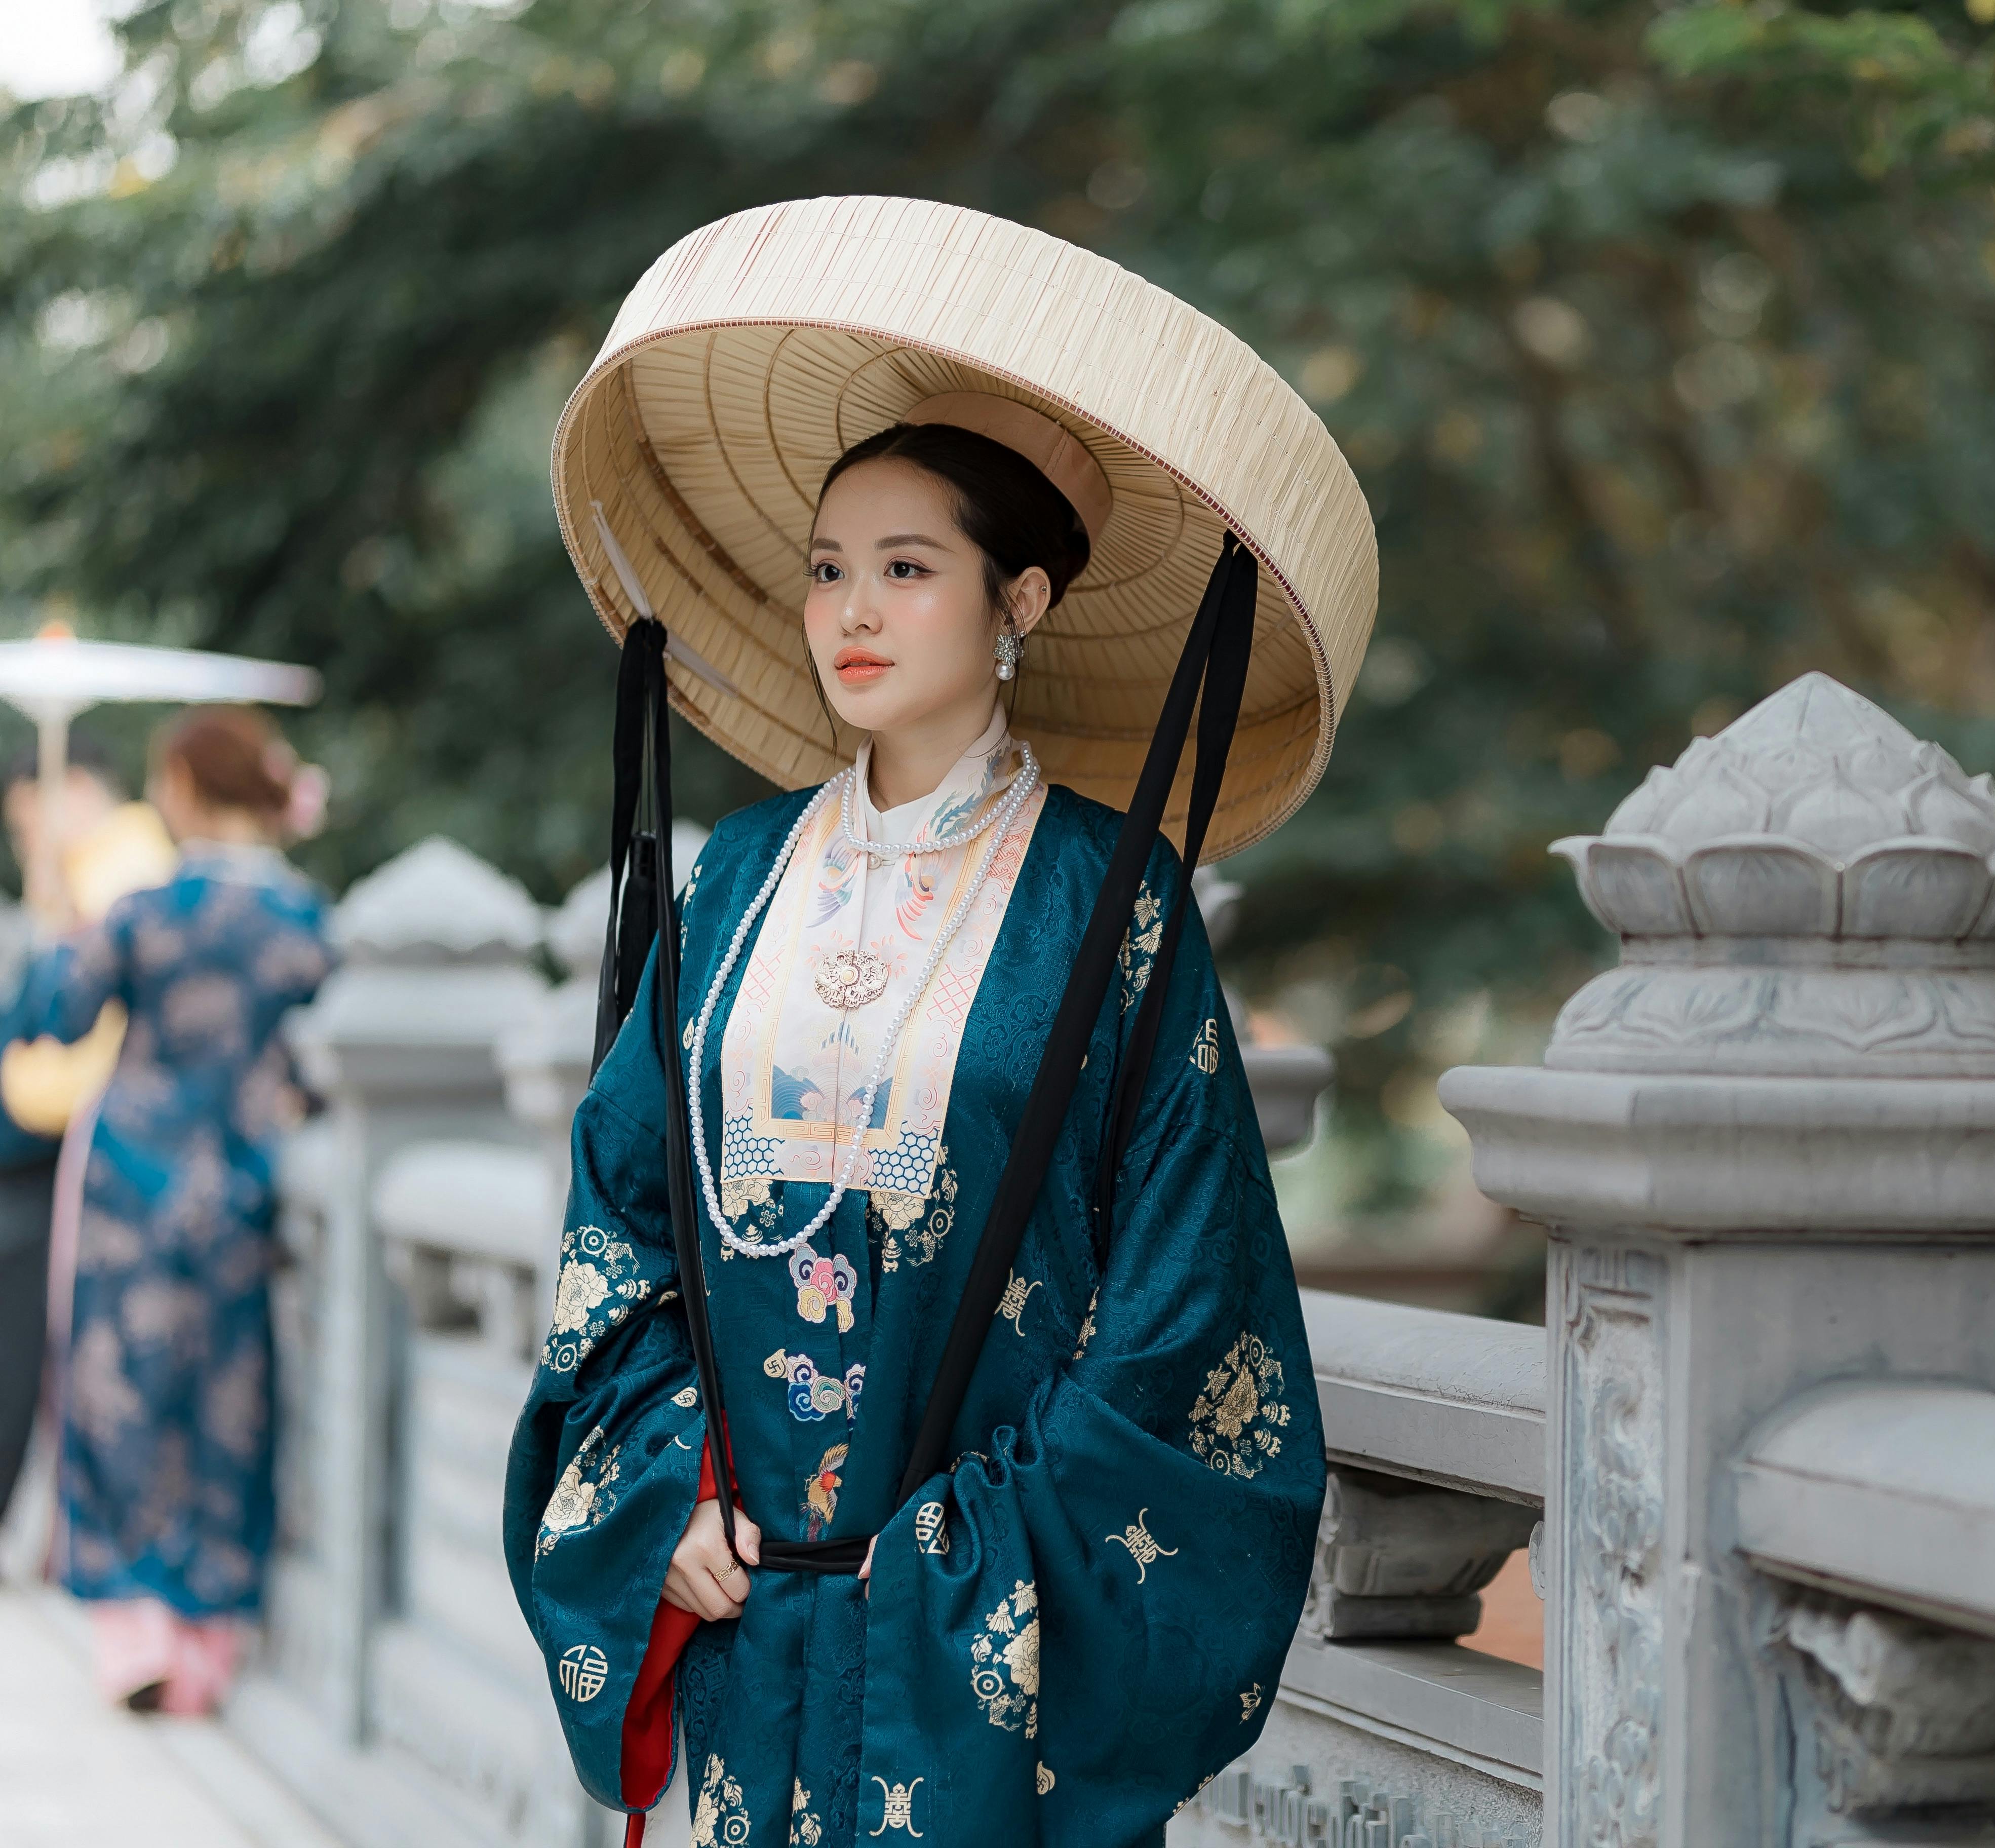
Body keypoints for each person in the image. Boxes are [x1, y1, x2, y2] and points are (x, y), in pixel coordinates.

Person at [507, 197, 1376, 1846]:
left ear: (1020, 600)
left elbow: (1193, 1296)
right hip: (736, 1613)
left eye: (910, 569)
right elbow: (620, 1205)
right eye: (831, 567)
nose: (853, 608)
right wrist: (657, 1476)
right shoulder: (743, 874)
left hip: (977, 1647)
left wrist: (978, 1562)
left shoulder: (1106, 906)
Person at [19, 707, 334, 1712]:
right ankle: (207, 1644)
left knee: (120, 1398)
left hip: (129, 1186)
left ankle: (136, 1633)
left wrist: (56, 906)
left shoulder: (145, 908)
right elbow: (331, 1071)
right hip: (242, 1187)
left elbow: (48, 1015)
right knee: (228, 1405)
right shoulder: (308, 922)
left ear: (188, 790)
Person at [0, 740, 123, 1535]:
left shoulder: (118, 887)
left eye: (24, 826)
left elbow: (60, 1053)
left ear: (70, 790)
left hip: (60, 1162)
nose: (24, 845)